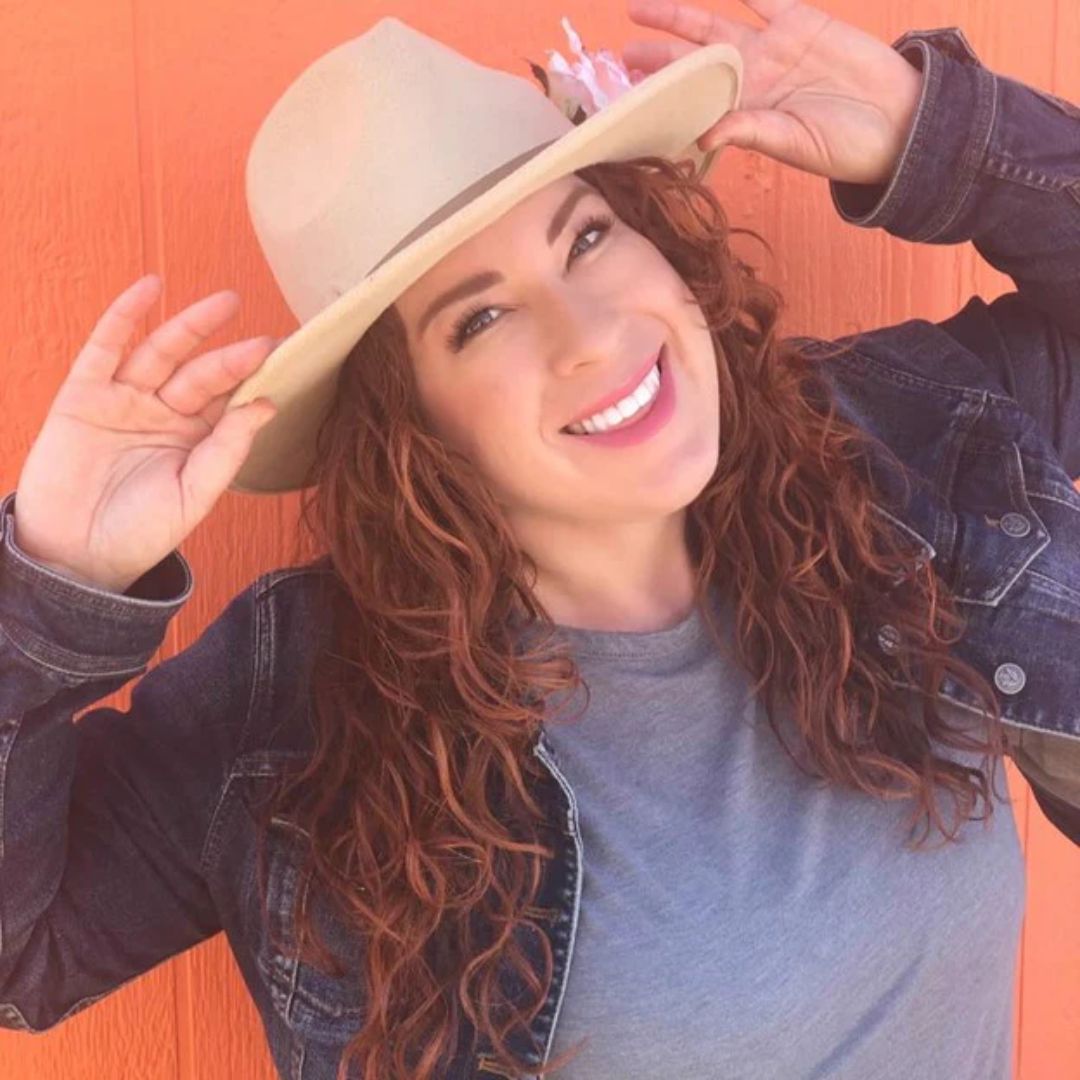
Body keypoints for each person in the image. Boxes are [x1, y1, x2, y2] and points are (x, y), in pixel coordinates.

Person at [2, 2, 1080, 1078]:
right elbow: (22, 956)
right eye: (480, 319)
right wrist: (51, 589)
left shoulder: (891, 443)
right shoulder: (299, 708)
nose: (591, 333)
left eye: (589, 237)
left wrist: (935, 136)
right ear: (413, 426)